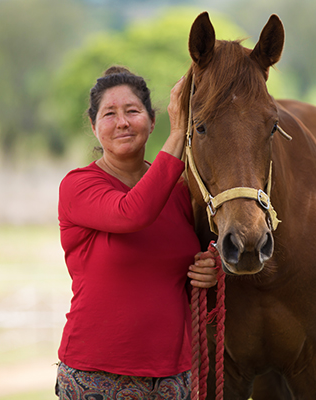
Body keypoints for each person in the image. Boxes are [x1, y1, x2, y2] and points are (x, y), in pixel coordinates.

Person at [55, 66, 218, 400]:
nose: (123, 122)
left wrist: (210, 266)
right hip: (97, 373)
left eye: (132, 111)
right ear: (93, 126)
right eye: (109, 114)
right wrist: (177, 135)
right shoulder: (78, 186)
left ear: (151, 120)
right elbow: (133, 213)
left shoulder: (178, 190)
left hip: (173, 375)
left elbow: (202, 248)